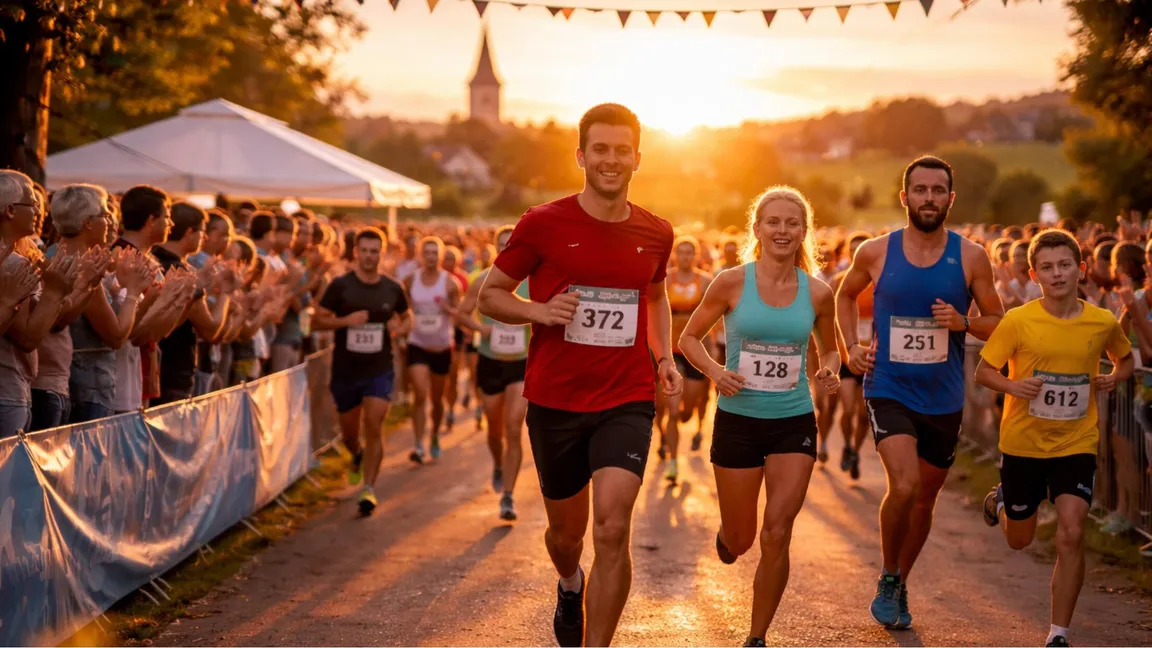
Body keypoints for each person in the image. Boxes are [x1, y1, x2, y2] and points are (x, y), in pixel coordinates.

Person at [478, 103, 679, 648]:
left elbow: (654, 296)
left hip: (626, 397)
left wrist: (663, 356)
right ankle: (570, 584)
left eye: (622, 150)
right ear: (581, 156)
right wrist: (539, 311)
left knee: (612, 528)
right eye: (600, 149)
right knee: (566, 537)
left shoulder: (656, 232)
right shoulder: (543, 223)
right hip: (557, 400)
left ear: (637, 158)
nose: (611, 160)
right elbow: (490, 296)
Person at [836, 155, 1004, 629]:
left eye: (937, 190)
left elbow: (998, 321)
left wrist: (964, 321)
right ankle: (889, 575)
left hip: (943, 396)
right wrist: (851, 346)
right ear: (904, 196)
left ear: (950, 198)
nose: (928, 198)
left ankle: (900, 580)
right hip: (888, 386)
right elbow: (843, 296)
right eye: (920, 189)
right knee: (905, 485)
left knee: (925, 499)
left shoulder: (971, 256)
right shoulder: (875, 251)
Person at [678, 186, 841, 647]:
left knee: (777, 531)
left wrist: (828, 371)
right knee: (743, 539)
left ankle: (757, 636)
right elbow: (689, 338)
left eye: (792, 223)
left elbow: (831, 349)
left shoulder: (818, 292)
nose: (782, 230)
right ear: (758, 228)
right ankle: (728, 538)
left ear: (804, 232)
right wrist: (715, 372)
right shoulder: (731, 282)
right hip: (739, 420)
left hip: (793, 420)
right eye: (773, 221)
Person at [976, 229, 1133, 648]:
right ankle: (1003, 499)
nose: (1057, 273)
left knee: (1072, 532)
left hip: (1075, 442)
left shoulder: (1101, 321)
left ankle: (1058, 634)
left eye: (1065, 265)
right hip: (1023, 445)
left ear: (1081, 270)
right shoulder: (1018, 320)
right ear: (1035, 274)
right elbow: (983, 371)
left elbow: (1125, 358)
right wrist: (1014, 386)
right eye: (1047, 267)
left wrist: (1114, 377)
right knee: (1019, 540)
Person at [313, 227, 410, 515]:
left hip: (379, 368)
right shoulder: (340, 286)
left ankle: (368, 489)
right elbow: (317, 321)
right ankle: (356, 454)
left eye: (374, 251)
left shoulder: (392, 288)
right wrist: (346, 321)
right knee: (349, 433)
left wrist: (399, 329)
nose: (369, 256)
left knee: (374, 423)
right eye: (364, 251)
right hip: (346, 370)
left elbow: (408, 317)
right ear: (355, 252)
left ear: (381, 254)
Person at [456, 225, 530, 520]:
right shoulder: (482, 280)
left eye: (511, 243)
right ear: (496, 248)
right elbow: (462, 314)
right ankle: (498, 465)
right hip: (490, 361)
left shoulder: (531, 281)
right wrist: (480, 328)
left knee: (514, 427)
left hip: (520, 364)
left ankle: (508, 496)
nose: (506, 248)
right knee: (494, 429)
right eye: (502, 244)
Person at [659, 235, 713, 482]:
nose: (685, 257)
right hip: (670, 351)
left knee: (687, 410)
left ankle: (681, 427)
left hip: (695, 350)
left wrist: (712, 351)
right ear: (674, 255)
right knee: (670, 408)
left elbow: (713, 318)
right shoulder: (665, 279)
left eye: (689, 253)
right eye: (680, 252)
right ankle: (673, 461)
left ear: (696, 256)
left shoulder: (705, 281)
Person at [403, 235, 461, 464]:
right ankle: (418, 444)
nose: (430, 257)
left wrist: (448, 309)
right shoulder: (410, 280)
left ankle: (434, 435)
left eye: (434, 253)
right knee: (419, 393)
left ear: (440, 256)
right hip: (417, 343)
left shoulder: (450, 283)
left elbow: (459, 314)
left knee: (437, 400)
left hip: (441, 346)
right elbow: (403, 307)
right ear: (420, 254)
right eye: (426, 252)